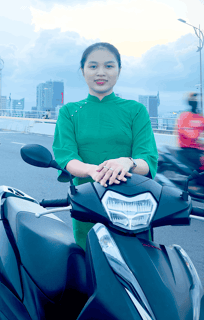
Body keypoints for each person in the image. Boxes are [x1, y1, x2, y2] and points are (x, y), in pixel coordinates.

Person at [52, 42, 158, 250]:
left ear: (119, 70)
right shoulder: (69, 112)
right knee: (89, 263)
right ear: (82, 71)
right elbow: (67, 157)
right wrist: (96, 171)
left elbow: (147, 160)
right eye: (93, 66)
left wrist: (126, 162)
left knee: (139, 266)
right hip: (88, 200)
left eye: (109, 66)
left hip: (134, 204)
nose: (101, 73)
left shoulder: (136, 110)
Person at [177, 93, 204, 185]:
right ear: (190, 103)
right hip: (187, 148)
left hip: (199, 148)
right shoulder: (184, 116)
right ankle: (199, 184)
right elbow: (183, 130)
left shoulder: (200, 117)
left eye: (197, 101)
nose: (196, 103)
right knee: (203, 161)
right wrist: (196, 139)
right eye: (194, 101)